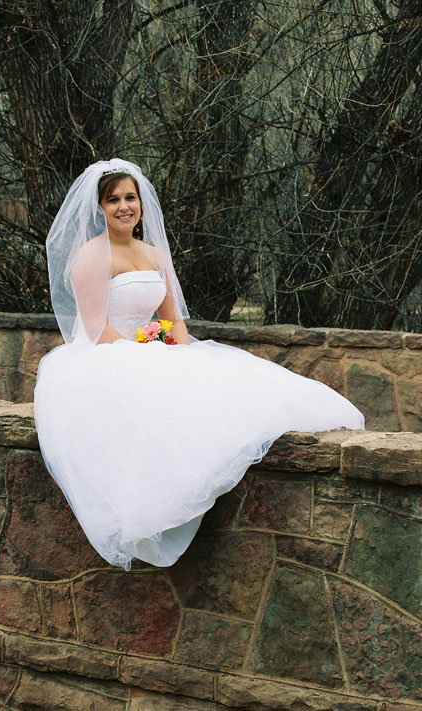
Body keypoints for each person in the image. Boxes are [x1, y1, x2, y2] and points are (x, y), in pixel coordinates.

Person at [34, 158, 364, 570]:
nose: (124, 207)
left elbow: (172, 320)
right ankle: (155, 507)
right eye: (113, 200)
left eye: (130, 198)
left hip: (150, 348)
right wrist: (145, 352)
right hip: (107, 355)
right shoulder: (92, 255)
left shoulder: (153, 254)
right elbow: (97, 329)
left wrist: (180, 352)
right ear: (100, 207)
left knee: (219, 390)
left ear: (141, 203)